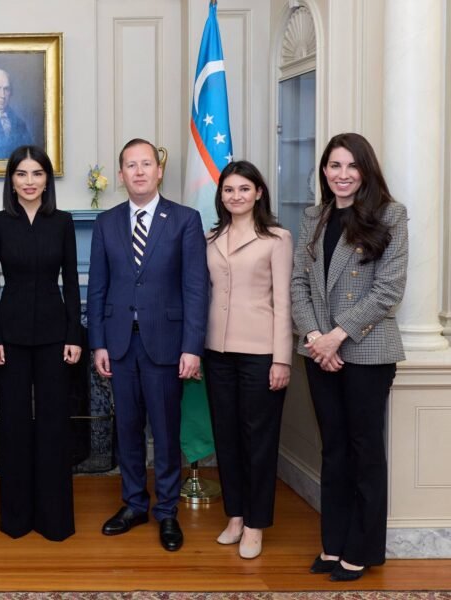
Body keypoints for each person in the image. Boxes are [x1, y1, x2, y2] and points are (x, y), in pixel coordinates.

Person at [291, 133, 408, 582]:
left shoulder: (390, 215)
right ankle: (334, 543)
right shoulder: (314, 216)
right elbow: (299, 284)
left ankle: (361, 548)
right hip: (319, 350)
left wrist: (335, 337)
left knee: (364, 451)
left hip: (366, 351)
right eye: (334, 166)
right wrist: (315, 337)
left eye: (351, 166)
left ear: (365, 170)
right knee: (334, 450)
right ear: (324, 171)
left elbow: (388, 290)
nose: (342, 175)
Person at [86, 138, 208, 552]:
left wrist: (192, 347)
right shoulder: (106, 223)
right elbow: (97, 288)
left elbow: (196, 289)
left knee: (166, 431)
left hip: (167, 345)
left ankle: (167, 511)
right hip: (119, 344)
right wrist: (98, 343)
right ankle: (134, 503)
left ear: (159, 171)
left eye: (146, 164)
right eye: (130, 165)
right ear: (121, 175)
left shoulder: (185, 220)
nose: (139, 172)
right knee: (127, 429)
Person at [0, 145, 80, 541]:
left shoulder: (63, 222)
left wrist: (74, 334)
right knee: (15, 425)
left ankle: (55, 519)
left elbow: (71, 282)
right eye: (21, 174)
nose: (29, 181)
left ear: (46, 180)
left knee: (54, 426)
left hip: (56, 338)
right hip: (10, 339)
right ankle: (17, 518)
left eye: (37, 173)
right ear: (11, 180)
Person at [203, 161, 293, 559]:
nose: (235, 196)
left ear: (259, 193)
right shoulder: (210, 238)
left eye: (244, 189)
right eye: (228, 189)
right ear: (220, 195)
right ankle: (235, 516)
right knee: (226, 437)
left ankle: (256, 524)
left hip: (261, 352)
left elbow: (284, 302)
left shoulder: (277, 238)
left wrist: (282, 359)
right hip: (216, 351)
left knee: (259, 441)